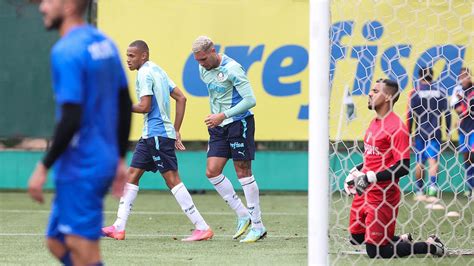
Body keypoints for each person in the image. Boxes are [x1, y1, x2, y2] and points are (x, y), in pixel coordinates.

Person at [28, 0, 132, 265]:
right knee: (56, 241)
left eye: (49, 1)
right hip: (99, 159)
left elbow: (72, 117)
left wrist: (43, 166)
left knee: (81, 246)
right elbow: (123, 102)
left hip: (83, 164)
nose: (42, 7)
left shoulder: (66, 50)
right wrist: (119, 157)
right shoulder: (105, 43)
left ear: (70, 5)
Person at [102, 40, 214, 242]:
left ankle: (202, 227)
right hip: (151, 135)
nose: (128, 60)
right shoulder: (158, 70)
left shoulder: (145, 73)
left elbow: (145, 106)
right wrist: (176, 129)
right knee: (132, 175)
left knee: (172, 180)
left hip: (157, 135)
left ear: (143, 55)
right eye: (127, 56)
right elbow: (181, 98)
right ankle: (119, 227)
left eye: (131, 56)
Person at [345, 79, 445, 258]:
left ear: (388, 96)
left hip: (382, 196)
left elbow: (403, 167)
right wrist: (354, 171)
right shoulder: (374, 122)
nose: (370, 93)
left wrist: (370, 178)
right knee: (356, 237)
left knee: (376, 251)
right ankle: (399, 239)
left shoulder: (397, 128)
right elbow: (372, 158)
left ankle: (430, 245)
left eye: (375, 91)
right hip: (365, 191)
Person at [191, 36, 266, 243]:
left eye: (204, 59)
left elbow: (251, 100)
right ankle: (243, 215)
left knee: (243, 172)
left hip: (238, 123)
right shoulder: (202, 69)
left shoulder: (233, 69)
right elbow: (215, 96)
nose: (202, 64)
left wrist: (222, 115)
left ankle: (258, 226)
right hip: (218, 127)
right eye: (198, 60)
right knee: (212, 171)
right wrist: (216, 116)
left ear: (213, 51)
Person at [407, 67, 451, 199]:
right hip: (435, 132)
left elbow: (410, 115)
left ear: (420, 77)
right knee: (433, 160)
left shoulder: (416, 93)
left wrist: (409, 133)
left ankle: (419, 190)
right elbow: (447, 113)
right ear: (432, 76)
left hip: (420, 132)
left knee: (420, 161)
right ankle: (432, 188)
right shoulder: (440, 92)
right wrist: (447, 130)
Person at [452, 67, 473, 199]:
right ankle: (470, 188)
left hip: (473, 128)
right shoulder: (458, 91)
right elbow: (458, 109)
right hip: (463, 129)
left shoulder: (472, 91)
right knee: (467, 159)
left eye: (466, 75)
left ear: (470, 76)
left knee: (473, 156)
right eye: (461, 76)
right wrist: (463, 112)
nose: (464, 78)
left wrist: (465, 109)